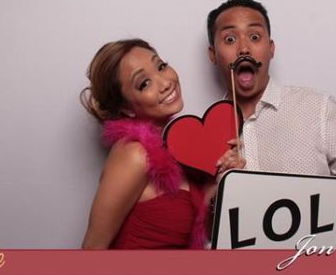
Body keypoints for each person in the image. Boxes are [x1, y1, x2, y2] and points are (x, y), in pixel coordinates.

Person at [206, 0, 336, 228]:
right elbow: (202, 227)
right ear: (213, 55)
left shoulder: (317, 107)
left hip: (311, 261)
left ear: (271, 49)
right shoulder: (199, 138)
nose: (243, 48)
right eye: (230, 39)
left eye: (255, 37)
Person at [81, 38, 243, 249]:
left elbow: (203, 229)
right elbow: (92, 249)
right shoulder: (134, 154)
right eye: (144, 83)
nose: (165, 82)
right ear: (126, 108)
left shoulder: (178, 146)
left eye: (161, 66)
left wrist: (223, 176)